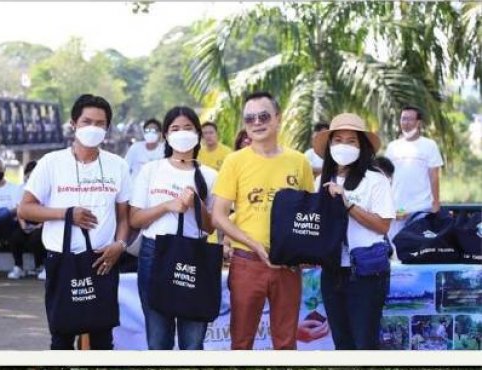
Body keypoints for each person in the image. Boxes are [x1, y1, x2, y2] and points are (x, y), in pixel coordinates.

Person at [20, 93, 133, 350]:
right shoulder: (52, 162)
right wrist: (66, 213)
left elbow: (124, 218)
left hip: (103, 260)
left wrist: (120, 245)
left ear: (107, 128)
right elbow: (25, 209)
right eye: (86, 121)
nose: (93, 128)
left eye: (100, 123)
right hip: (63, 260)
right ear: (73, 124)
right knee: (62, 336)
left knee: (103, 338)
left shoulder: (118, 166)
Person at [211, 91, 315, 349]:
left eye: (264, 116)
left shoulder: (299, 161)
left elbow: (309, 214)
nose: (257, 123)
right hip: (247, 262)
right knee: (242, 342)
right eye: (249, 118)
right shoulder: (234, 161)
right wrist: (254, 244)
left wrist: (304, 251)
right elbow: (218, 216)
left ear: (278, 118)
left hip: (287, 267)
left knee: (285, 343)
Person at [129, 106, 219, 350]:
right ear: (166, 136)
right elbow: (135, 219)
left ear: (198, 134)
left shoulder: (210, 176)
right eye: (175, 128)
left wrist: (196, 204)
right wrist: (168, 205)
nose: (182, 133)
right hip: (155, 253)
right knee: (158, 339)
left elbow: (211, 227)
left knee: (192, 341)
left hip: (194, 256)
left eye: (188, 128)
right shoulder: (151, 170)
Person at [315, 113, 394, 350]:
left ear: (362, 147)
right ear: (329, 146)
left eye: (351, 141)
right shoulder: (321, 180)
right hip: (332, 272)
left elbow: (383, 225)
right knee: (342, 343)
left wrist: (347, 203)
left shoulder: (375, 180)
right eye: (338, 140)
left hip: (366, 272)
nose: (344, 146)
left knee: (365, 342)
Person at [385, 105, 443, 236]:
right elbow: (386, 178)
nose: (406, 123)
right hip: (397, 209)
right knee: (396, 249)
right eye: (403, 119)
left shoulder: (429, 145)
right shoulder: (392, 147)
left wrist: (436, 203)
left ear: (418, 122)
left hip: (421, 209)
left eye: (410, 119)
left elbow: (434, 176)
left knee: (419, 250)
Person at [0, 156, 39, 279]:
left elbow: (17, 208)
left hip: (7, 223)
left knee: (4, 212)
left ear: (4, 169)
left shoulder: (14, 188)